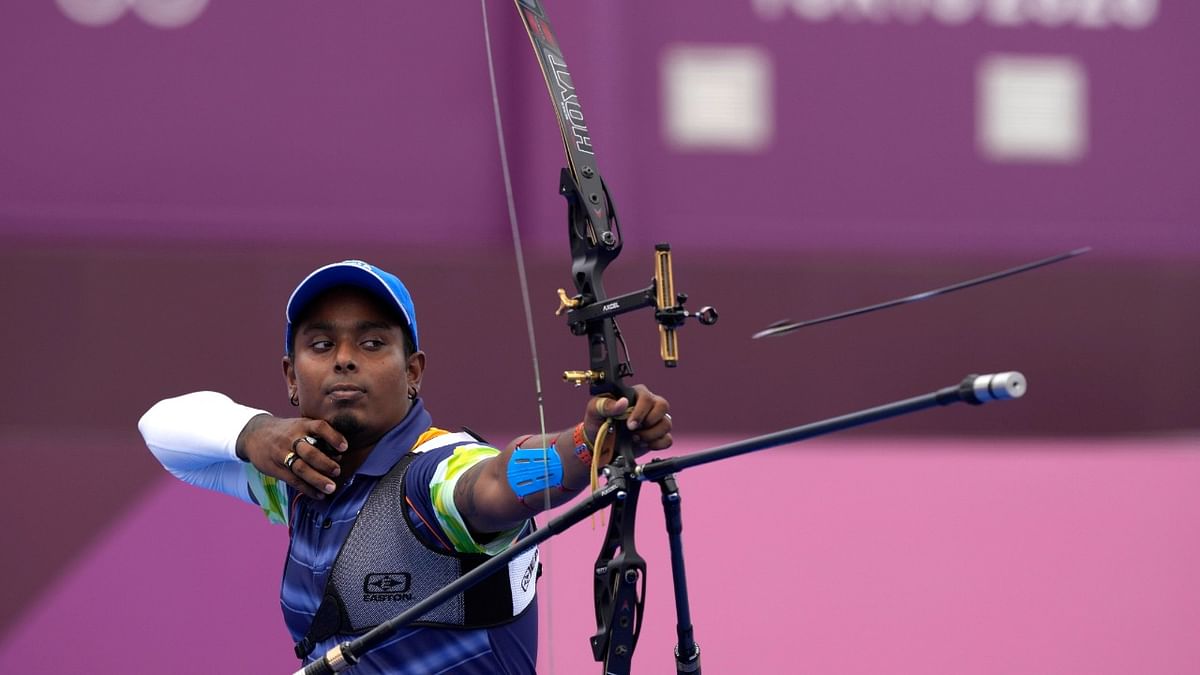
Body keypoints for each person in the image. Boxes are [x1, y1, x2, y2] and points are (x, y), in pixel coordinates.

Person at [138, 259, 672, 674]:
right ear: (290, 377)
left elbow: (493, 484)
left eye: (372, 343)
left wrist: (586, 442)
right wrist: (252, 434)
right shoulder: (297, 478)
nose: (344, 358)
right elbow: (161, 429)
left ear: (413, 371)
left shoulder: (433, 474)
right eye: (321, 344)